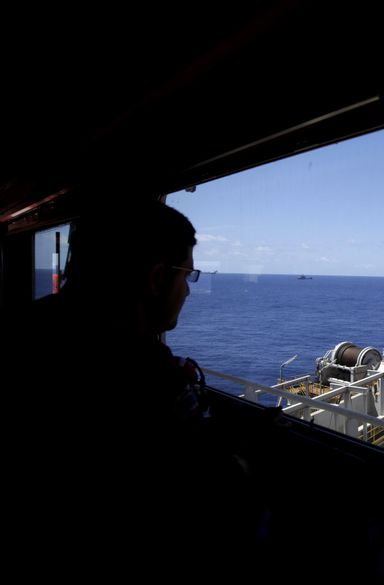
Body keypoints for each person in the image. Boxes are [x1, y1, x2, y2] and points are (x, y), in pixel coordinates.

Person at [2, 199, 260, 565]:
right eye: (186, 275)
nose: (187, 290)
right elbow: (220, 491)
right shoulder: (149, 375)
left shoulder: (21, 328)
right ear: (156, 278)